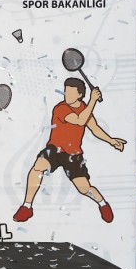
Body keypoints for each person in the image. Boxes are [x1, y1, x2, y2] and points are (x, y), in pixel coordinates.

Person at [13, 77, 126, 223]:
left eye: (71, 93)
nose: (67, 95)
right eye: (66, 92)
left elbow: (94, 128)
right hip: (55, 150)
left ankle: (103, 204)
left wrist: (112, 141)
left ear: (79, 94)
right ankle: (27, 207)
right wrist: (92, 100)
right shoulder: (61, 108)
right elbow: (79, 120)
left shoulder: (84, 109)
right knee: (38, 167)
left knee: (84, 189)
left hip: (73, 155)